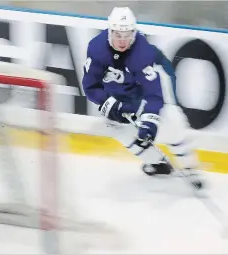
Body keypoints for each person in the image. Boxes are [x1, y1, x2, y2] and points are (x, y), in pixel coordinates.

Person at [82, 7, 203, 186]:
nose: (122, 41)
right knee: (118, 130)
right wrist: (108, 102)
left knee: (173, 120)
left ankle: (189, 167)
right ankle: (158, 164)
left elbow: (153, 94)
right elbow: (90, 86)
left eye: (127, 35)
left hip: (141, 96)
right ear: (109, 32)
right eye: (118, 35)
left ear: (134, 33)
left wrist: (149, 122)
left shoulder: (142, 52)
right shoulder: (96, 48)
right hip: (118, 97)